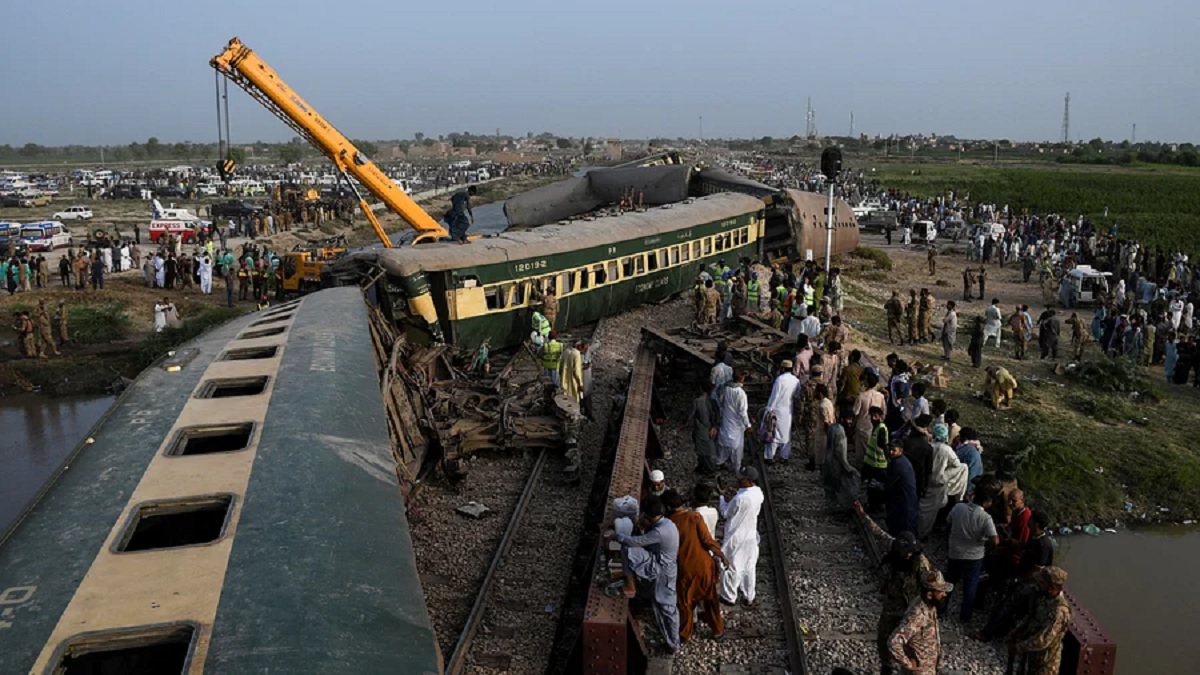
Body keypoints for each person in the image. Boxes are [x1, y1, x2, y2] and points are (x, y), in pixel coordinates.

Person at [855, 503, 934, 675]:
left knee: (907, 644)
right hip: (891, 605)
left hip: (908, 609)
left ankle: (906, 669)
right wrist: (863, 515)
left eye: (910, 552)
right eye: (905, 551)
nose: (907, 555)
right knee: (883, 638)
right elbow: (879, 533)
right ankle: (887, 666)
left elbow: (930, 584)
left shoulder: (920, 562)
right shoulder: (895, 548)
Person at [605, 494, 680, 652]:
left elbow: (634, 542)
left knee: (666, 608)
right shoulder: (667, 523)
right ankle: (672, 641)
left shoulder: (660, 532)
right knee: (662, 605)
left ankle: (674, 643)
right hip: (663, 566)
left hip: (662, 572)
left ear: (649, 515)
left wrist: (616, 536)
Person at [663, 489, 731, 643]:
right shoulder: (695, 517)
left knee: (685, 602)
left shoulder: (668, 524)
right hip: (704, 567)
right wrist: (722, 556)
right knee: (711, 600)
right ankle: (717, 630)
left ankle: (685, 633)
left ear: (667, 507)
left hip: (685, 570)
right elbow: (708, 541)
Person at [946, 491, 999, 623]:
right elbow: (995, 540)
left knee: (949, 582)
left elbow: (948, 521)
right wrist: (984, 539)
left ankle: (941, 608)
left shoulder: (958, 507)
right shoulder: (985, 517)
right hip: (974, 556)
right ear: (987, 502)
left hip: (955, 552)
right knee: (970, 586)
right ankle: (965, 616)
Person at [1008, 567, 1072, 675]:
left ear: (1051, 587)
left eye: (1042, 583)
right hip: (1031, 655)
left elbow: (1043, 640)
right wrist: (1017, 630)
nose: (1038, 584)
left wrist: (1018, 647)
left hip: (1045, 664)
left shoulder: (1059, 611)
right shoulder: (1044, 596)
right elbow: (1032, 618)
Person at [888, 570, 953, 674]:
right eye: (941, 591)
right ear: (930, 595)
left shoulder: (931, 606)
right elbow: (894, 643)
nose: (944, 594)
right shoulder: (917, 614)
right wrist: (908, 664)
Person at [718, 466, 764, 605]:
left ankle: (729, 596)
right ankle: (749, 596)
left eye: (742, 479)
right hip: (750, 535)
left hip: (736, 537)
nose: (739, 480)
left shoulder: (740, 499)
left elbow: (725, 513)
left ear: (749, 481)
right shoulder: (758, 493)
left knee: (732, 567)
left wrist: (721, 497)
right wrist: (735, 493)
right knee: (749, 567)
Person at [918, 423, 967, 538]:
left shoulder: (929, 446)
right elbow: (957, 464)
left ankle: (918, 530)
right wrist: (945, 473)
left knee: (923, 508)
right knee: (932, 511)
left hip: (926, 481)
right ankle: (924, 533)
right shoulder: (947, 449)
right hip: (938, 483)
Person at [762, 360, 801, 463]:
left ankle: (769, 456)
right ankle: (784, 456)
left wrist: (769, 408)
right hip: (788, 410)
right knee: (786, 433)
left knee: (773, 432)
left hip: (777, 409)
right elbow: (797, 395)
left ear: (782, 368)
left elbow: (774, 396)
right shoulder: (796, 380)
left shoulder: (779, 380)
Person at [823, 406, 860, 510]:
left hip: (829, 460)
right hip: (835, 463)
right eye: (848, 419)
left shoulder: (834, 427)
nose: (850, 422)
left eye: (851, 419)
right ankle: (836, 507)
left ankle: (831, 506)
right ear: (842, 419)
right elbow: (840, 452)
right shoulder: (840, 431)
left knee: (830, 486)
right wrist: (847, 467)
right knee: (836, 485)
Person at [716, 370, 751, 471]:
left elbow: (721, 402)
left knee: (723, 445)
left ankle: (719, 462)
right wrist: (748, 425)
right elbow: (743, 412)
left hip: (726, 419)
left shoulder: (725, 389)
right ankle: (736, 467)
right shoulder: (741, 394)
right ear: (742, 379)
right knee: (737, 448)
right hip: (736, 424)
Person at [886, 442, 919, 537]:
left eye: (894, 450)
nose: (891, 452)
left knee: (903, 521)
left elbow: (889, 482)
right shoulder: (902, 460)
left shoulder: (897, 464)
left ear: (901, 450)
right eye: (890, 449)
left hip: (904, 497)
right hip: (906, 496)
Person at [861, 406, 890, 512]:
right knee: (873, 486)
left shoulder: (880, 428)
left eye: (875, 416)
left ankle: (876, 506)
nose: (873, 418)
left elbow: (883, 445)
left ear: (880, 417)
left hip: (879, 466)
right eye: (872, 416)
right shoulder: (876, 427)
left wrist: (888, 460)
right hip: (873, 464)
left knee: (875, 486)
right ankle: (874, 505)